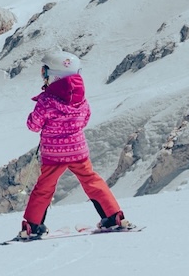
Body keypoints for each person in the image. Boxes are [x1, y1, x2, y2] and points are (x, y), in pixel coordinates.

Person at [18, 49, 132, 239]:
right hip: (78, 151)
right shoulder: (81, 100)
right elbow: (85, 119)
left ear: (54, 75)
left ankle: (33, 226)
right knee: (92, 182)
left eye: (45, 72)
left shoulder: (46, 100)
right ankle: (114, 218)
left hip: (53, 154)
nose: (43, 76)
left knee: (44, 188)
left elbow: (33, 125)